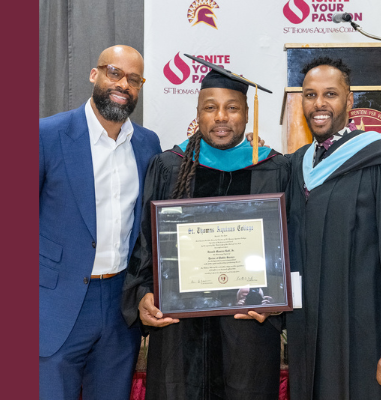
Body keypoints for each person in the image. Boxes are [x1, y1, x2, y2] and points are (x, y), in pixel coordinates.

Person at [122, 61, 286, 400]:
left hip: (248, 326)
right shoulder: (169, 166)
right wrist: (143, 294)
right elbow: (146, 242)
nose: (221, 117)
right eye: (210, 108)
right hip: (179, 329)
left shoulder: (274, 168)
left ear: (247, 114)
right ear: (198, 114)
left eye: (232, 108)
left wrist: (279, 301)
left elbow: (291, 248)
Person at [38, 45, 160, 400]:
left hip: (121, 307)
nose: (123, 85)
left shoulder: (147, 144)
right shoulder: (47, 134)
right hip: (57, 304)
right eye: (114, 73)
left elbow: (149, 229)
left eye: (134, 79)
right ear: (95, 74)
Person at [285, 57, 381, 399]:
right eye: (310, 95)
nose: (319, 104)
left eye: (330, 94)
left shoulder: (374, 159)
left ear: (349, 100)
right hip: (306, 325)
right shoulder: (297, 164)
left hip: (362, 327)